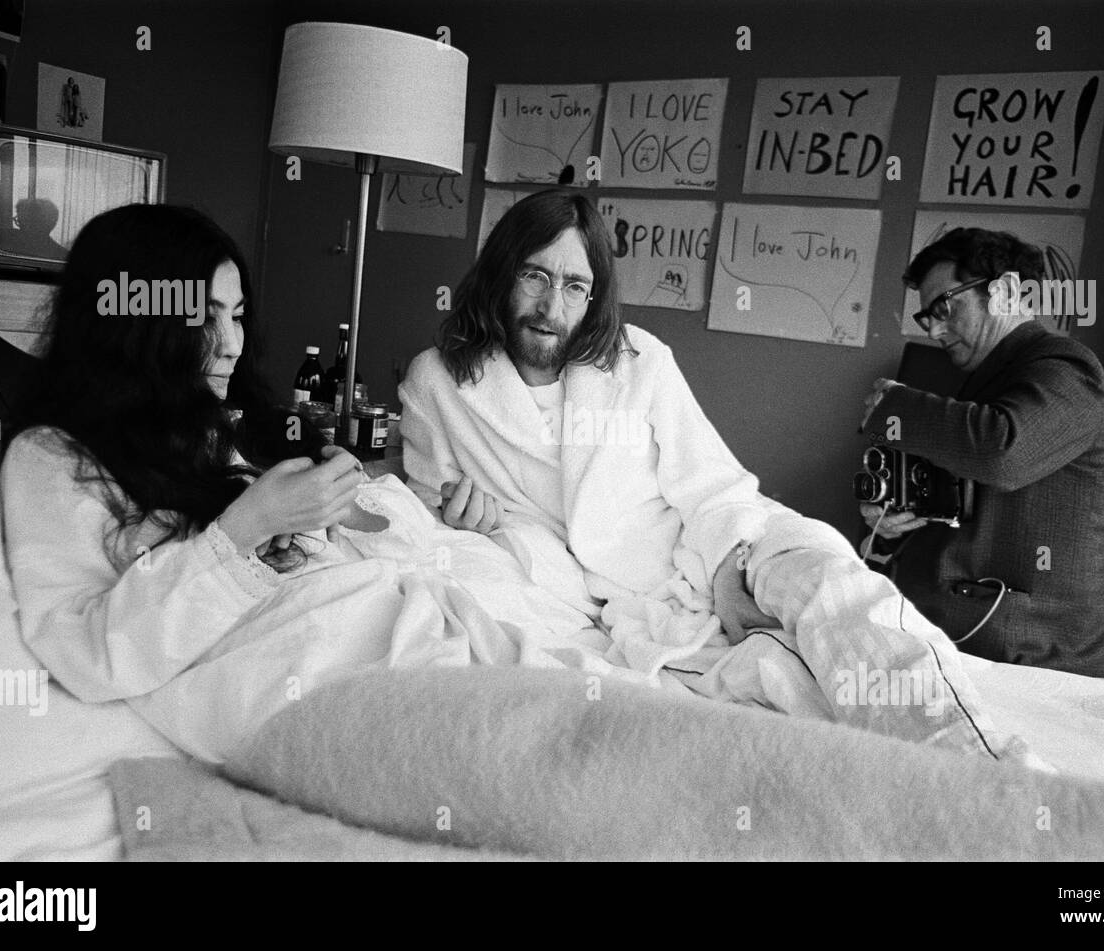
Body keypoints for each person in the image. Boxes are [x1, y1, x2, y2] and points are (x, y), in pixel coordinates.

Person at [398, 190, 1028, 759]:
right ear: (502, 271)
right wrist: (468, 519)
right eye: (535, 275)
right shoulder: (438, 382)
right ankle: (917, 778)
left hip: (730, 544)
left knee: (838, 596)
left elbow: (714, 484)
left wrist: (730, 574)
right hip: (624, 602)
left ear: (593, 296)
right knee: (783, 683)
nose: (550, 305)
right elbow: (431, 506)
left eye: (573, 286)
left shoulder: (637, 360)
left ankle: (990, 770)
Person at [0, 204, 375, 703]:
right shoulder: (51, 458)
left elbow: (368, 531)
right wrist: (249, 524)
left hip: (368, 622)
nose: (233, 346)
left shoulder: (229, 422)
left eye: (238, 317)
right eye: (203, 318)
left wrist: (337, 502)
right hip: (292, 681)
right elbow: (88, 654)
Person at [858, 227, 1104, 678]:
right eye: (927, 318)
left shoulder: (1070, 369)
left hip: (1043, 660)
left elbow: (1003, 453)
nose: (937, 330)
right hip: (970, 637)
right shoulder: (983, 379)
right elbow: (959, 495)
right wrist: (889, 520)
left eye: (945, 307)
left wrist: (893, 405)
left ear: (1005, 291)